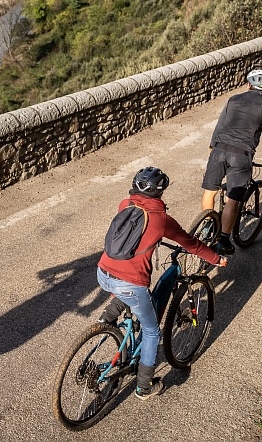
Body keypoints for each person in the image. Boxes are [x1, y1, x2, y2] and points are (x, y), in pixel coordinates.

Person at [96, 166, 225, 400]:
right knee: (152, 331)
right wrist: (215, 258)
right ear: (160, 192)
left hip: (103, 272)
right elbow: (191, 244)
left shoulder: (125, 205)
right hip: (128, 284)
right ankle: (144, 386)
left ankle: (108, 316)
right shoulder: (161, 219)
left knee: (131, 291)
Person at [201, 69, 262, 255]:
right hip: (241, 156)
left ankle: (207, 226)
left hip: (219, 149)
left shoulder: (233, 99)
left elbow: (219, 125)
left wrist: (213, 147)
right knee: (233, 200)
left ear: (248, 84)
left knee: (210, 191)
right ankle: (224, 240)